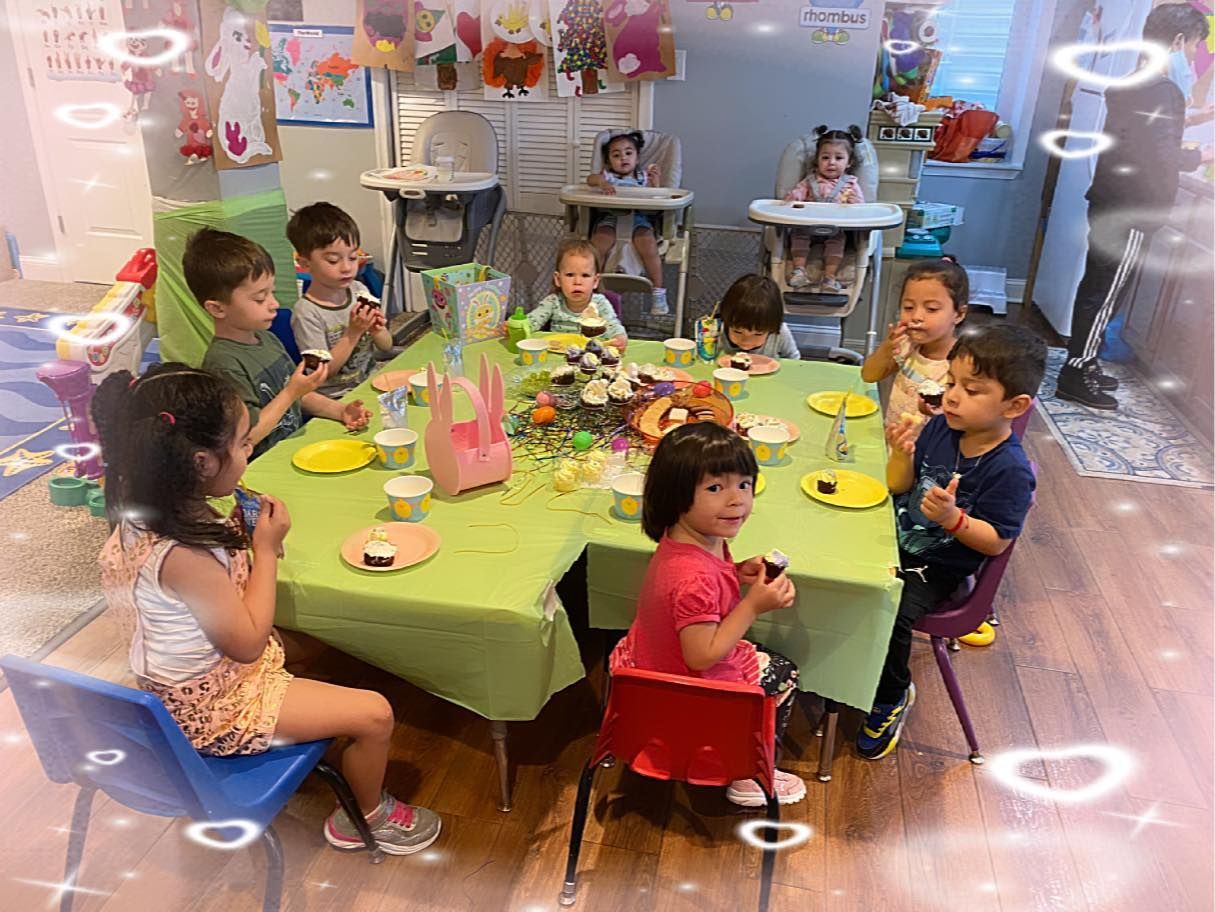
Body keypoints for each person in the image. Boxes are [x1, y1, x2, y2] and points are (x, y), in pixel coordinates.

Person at [91, 364, 441, 854]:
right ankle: (365, 818)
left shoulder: (150, 510)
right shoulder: (184, 555)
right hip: (208, 706)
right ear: (200, 462)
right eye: (241, 444)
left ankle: (322, 737)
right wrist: (267, 549)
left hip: (194, 676)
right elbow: (249, 643)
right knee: (375, 714)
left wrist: (243, 535)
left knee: (325, 642)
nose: (249, 451)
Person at [858, 324, 1045, 760]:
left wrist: (954, 519)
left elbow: (996, 543)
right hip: (895, 534)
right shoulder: (941, 427)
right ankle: (842, 666)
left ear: (1015, 406)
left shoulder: (1010, 470)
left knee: (888, 609)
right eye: (951, 383)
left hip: (937, 566)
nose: (953, 397)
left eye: (972, 390)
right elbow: (900, 486)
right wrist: (902, 455)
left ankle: (891, 694)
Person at [609, 422, 806, 807]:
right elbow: (701, 656)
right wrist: (752, 605)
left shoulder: (691, 539)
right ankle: (748, 775)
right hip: (687, 691)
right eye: (715, 488)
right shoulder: (694, 577)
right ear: (675, 495)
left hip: (650, 666)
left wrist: (735, 573)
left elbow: (695, 598)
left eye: (744, 484)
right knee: (784, 672)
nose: (736, 500)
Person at [1057, 2, 1213, 410]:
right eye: (1194, 46)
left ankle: (1085, 361)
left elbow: (1144, 132)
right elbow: (1159, 154)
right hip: (1131, 210)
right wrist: (1202, 155)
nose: (1193, 56)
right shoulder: (1164, 90)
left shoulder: (1133, 82)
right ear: (1177, 41)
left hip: (1109, 201)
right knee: (1106, 292)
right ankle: (1076, 372)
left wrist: (1193, 120)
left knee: (1098, 286)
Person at [185, 227, 371, 458]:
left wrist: (340, 411)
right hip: (263, 464)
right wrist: (291, 393)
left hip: (293, 450)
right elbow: (246, 438)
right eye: (260, 298)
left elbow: (300, 395)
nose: (274, 304)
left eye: (271, 293)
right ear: (217, 308)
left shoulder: (267, 338)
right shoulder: (224, 364)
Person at [287, 202, 393, 398]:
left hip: (369, 382)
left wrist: (377, 329)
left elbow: (386, 346)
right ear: (305, 263)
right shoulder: (307, 313)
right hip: (336, 398)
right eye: (333, 261)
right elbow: (322, 374)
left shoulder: (359, 290)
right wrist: (353, 333)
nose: (346, 268)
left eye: (352, 258)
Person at [861, 257, 969, 424]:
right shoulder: (906, 346)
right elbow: (869, 375)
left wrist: (939, 412)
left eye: (931, 309)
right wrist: (887, 348)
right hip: (893, 436)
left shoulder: (962, 363)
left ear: (959, 314)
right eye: (909, 307)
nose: (916, 317)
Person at [586, 130, 669, 316]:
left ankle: (658, 292)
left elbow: (656, 199)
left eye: (628, 153)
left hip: (638, 219)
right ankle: (593, 289)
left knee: (649, 245)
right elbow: (590, 180)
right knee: (597, 246)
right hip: (610, 218)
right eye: (616, 155)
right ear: (608, 161)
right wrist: (601, 183)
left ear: (637, 157)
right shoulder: (607, 177)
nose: (623, 158)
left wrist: (655, 185)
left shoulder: (644, 178)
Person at [783, 125, 865, 292]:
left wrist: (854, 203)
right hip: (807, 225)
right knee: (798, 235)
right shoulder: (809, 181)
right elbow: (795, 196)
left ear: (849, 162)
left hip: (834, 228)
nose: (831, 162)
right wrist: (793, 199)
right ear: (817, 160)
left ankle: (829, 277)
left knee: (838, 242)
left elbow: (861, 208)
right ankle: (799, 270)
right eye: (825, 157)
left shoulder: (850, 183)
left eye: (839, 158)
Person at [528, 237, 629, 351]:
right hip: (559, 354)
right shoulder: (553, 302)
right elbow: (532, 321)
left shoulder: (600, 303)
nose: (577, 282)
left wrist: (619, 337)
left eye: (585, 275)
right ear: (558, 279)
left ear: (595, 281)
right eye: (570, 275)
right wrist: (519, 326)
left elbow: (613, 325)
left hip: (591, 354)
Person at [716, 274, 801, 360]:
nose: (746, 342)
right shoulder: (719, 332)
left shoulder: (780, 333)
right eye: (737, 332)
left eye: (758, 334)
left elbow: (794, 359)